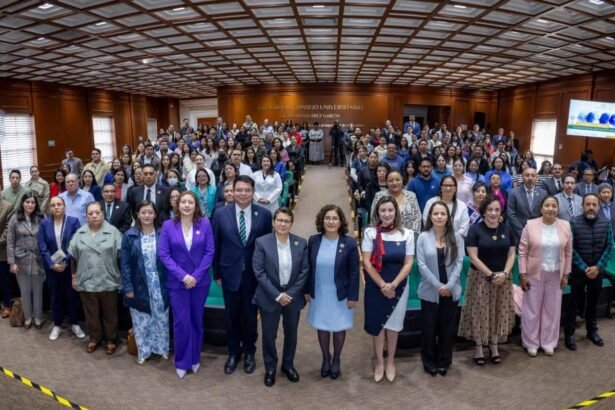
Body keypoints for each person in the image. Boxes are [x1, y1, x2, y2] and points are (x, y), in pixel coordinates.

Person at [212, 175, 272, 375]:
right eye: (239, 190)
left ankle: (249, 352)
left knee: (250, 317)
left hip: (254, 275)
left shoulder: (264, 215)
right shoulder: (220, 214)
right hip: (229, 273)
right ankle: (233, 352)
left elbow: (267, 247)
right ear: (232, 192)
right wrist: (217, 272)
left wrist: (266, 275)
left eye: (247, 190)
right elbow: (215, 245)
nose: (243, 194)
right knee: (231, 316)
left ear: (253, 192)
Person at [158, 191, 214, 378]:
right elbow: (164, 254)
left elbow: (209, 252)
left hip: (199, 282)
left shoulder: (205, 224)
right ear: (178, 204)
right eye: (183, 202)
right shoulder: (168, 225)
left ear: (196, 205)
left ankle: (195, 358)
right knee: (181, 322)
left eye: (191, 202)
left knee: (196, 320)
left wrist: (195, 277)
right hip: (177, 283)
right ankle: (182, 361)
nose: (187, 205)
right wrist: (183, 276)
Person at [252, 208, 309, 387]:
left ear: (291, 223)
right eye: (279, 220)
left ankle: (288, 365)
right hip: (269, 296)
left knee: (291, 333)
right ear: (274, 222)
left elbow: (304, 271)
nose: (283, 224)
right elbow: (259, 272)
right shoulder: (262, 242)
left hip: (292, 297)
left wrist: (289, 294)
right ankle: (270, 367)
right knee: (269, 335)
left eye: (286, 221)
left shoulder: (301, 243)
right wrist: (277, 295)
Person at [362, 196, 414, 382]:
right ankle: (379, 362)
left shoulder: (407, 234)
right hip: (376, 286)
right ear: (377, 213)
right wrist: (383, 285)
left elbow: (408, 263)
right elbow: (367, 263)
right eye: (383, 210)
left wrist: (393, 284)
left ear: (396, 212)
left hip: (399, 286)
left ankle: (390, 361)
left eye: (390, 210)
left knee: (393, 327)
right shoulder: (370, 233)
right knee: (378, 326)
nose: (387, 214)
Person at [459, 195, 516, 364]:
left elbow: (512, 254)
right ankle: (478, 347)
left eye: (497, 210)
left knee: (498, 311)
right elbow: (473, 257)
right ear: (483, 211)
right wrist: (490, 275)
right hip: (480, 278)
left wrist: (505, 273)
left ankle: (494, 344)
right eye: (490, 209)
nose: (493, 213)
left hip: (503, 278)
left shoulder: (507, 230)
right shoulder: (475, 230)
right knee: (479, 312)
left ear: (501, 212)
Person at [307, 205, 359, 380]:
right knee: (322, 325)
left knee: (338, 327)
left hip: (341, 294)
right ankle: (325, 357)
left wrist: (353, 296)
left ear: (340, 222)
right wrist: (307, 290)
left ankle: (336, 358)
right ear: (322, 221)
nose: (331, 221)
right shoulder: (313, 240)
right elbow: (308, 268)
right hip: (320, 292)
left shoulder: (349, 243)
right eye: (327, 218)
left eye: (334, 218)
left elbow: (354, 272)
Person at [519, 196, 572, 356]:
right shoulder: (530, 225)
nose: (550, 209)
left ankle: (548, 342)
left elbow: (568, 252)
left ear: (558, 209)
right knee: (532, 310)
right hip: (534, 274)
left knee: (552, 310)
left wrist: (566, 274)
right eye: (547, 205)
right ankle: (531, 342)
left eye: (554, 206)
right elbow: (522, 252)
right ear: (541, 208)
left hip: (556, 274)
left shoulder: (565, 225)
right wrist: (523, 274)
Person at [417, 201, 464, 376]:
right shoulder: (423, 237)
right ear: (430, 216)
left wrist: (449, 285)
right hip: (430, 290)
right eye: (435, 213)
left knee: (447, 328)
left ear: (448, 217)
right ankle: (429, 361)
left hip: (451, 290)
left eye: (443, 214)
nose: (439, 217)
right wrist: (438, 286)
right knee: (428, 329)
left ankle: (444, 361)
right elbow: (421, 265)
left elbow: (460, 262)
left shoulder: (456, 237)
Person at [69, 200, 123, 356]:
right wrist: (74, 277)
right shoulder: (80, 233)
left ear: (102, 214)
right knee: (90, 313)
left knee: (110, 313)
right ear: (86, 216)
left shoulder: (113, 232)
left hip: (108, 278)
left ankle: (111, 339)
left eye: (97, 213)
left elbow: (121, 257)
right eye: (90, 213)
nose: (94, 216)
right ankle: (94, 338)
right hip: (87, 279)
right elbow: (73, 258)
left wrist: (123, 278)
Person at [120, 201, 170, 365]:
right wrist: (128, 286)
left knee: (161, 318)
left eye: (150, 212)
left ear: (155, 214)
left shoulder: (164, 233)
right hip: (139, 284)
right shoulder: (129, 235)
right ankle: (144, 351)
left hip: (160, 284)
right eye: (143, 212)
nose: (147, 215)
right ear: (137, 215)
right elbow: (125, 264)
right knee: (141, 320)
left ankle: (162, 348)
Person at [564, 194, 613, 351]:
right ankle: (569, 334)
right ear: (582, 206)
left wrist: (598, 267)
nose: (591, 207)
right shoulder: (573, 222)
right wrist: (585, 267)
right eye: (588, 204)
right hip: (579, 271)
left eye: (594, 204)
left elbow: (609, 246)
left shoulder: (606, 223)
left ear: (598, 206)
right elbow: (570, 249)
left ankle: (592, 331)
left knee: (593, 302)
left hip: (597, 271)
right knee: (574, 303)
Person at [37, 196, 84, 340]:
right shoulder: (44, 223)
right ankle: (57, 325)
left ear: (64, 206)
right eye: (53, 205)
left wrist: (66, 261)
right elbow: (42, 246)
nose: (56, 207)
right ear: (50, 208)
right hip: (52, 268)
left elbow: (76, 243)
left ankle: (74, 323)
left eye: (59, 204)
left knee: (72, 296)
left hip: (69, 267)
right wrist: (52, 264)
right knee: (55, 296)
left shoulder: (73, 221)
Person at [7, 193, 45, 329]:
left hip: (38, 260)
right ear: (22, 203)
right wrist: (12, 262)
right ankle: (28, 318)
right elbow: (10, 241)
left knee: (38, 291)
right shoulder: (14, 218)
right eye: (27, 202)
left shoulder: (41, 217)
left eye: (33, 202)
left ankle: (38, 318)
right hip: (21, 260)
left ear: (36, 204)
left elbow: (46, 237)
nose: (30, 205)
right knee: (25, 291)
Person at [507, 167, 548, 242]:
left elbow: (544, 214)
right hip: (518, 233)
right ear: (522, 177)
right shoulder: (513, 192)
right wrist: (523, 232)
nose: (530, 178)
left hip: (538, 233)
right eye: (527, 175)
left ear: (537, 178)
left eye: (533, 175)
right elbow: (511, 214)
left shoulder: (543, 193)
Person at [0, 198, 15, 318]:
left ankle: (7, 305)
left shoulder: (7, 206)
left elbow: (8, 229)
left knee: (5, 280)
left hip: (2, 250)